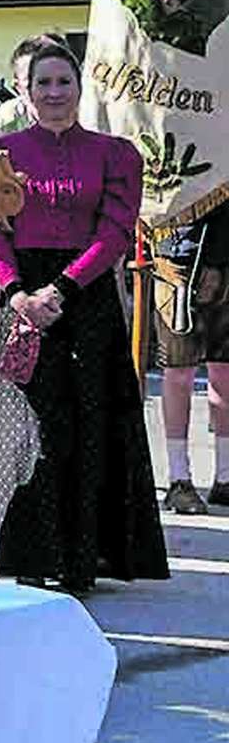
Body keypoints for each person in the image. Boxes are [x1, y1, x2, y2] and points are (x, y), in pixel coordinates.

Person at [0, 33, 171, 592]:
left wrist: (62, 289)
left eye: (64, 81)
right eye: (43, 82)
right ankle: (27, 555)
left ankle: (80, 559)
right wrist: (16, 292)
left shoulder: (116, 154)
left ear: (79, 86)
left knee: (87, 425)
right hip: (23, 296)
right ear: (24, 90)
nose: (54, 91)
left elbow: (115, 232)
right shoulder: (0, 153)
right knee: (30, 428)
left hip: (85, 299)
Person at [148, 205, 229, 514]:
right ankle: (179, 478)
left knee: (224, 371)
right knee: (179, 370)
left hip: (224, 249)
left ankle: (225, 476)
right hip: (178, 257)